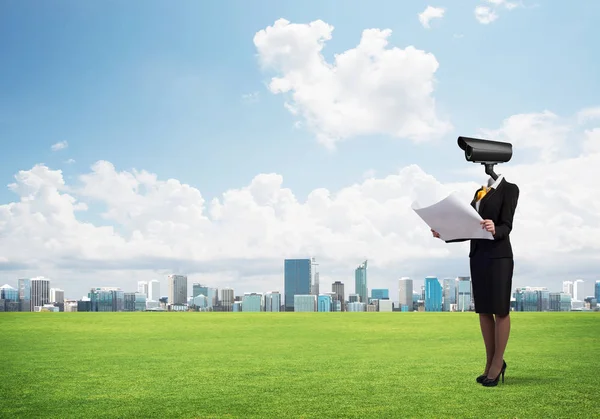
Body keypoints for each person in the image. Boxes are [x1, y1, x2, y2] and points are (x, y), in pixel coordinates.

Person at [431, 174, 519, 387]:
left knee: (500, 310)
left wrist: (495, 228)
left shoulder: (510, 189)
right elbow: (468, 228)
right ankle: (489, 362)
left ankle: (498, 363)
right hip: (478, 257)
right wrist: (444, 234)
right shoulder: (479, 193)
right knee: (484, 311)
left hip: (499, 257)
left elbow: (507, 225)